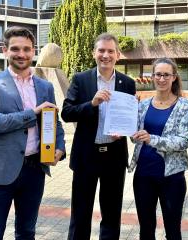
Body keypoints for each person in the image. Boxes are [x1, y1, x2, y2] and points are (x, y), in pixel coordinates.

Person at [0, 26, 66, 239]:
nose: (21, 54)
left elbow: (54, 122)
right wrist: (32, 113)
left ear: (33, 51)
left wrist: (60, 147)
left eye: (26, 49)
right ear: (5, 50)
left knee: (26, 232)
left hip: (34, 169)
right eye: (15, 48)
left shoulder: (45, 87)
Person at [61, 33, 136, 240]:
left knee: (112, 214)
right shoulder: (80, 79)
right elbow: (66, 113)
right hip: (87, 156)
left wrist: (125, 130)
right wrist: (91, 104)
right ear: (94, 53)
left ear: (117, 55)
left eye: (110, 51)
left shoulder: (127, 83)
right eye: (101, 50)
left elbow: (129, 117)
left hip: (114, 156)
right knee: (81, 213)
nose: (106, 55)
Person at [129, 58, 188, 240]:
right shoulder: (142, 105)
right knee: (146, 230)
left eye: (166, 75)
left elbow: (182, 142)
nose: (162, 79)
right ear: (152, 77)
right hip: (143, 175)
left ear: (174, 77)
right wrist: (129, 113)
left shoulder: (184, 106)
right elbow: (135, 138)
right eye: (158, 74)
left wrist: (152, 139)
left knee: (173, 230)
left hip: (171, 178)